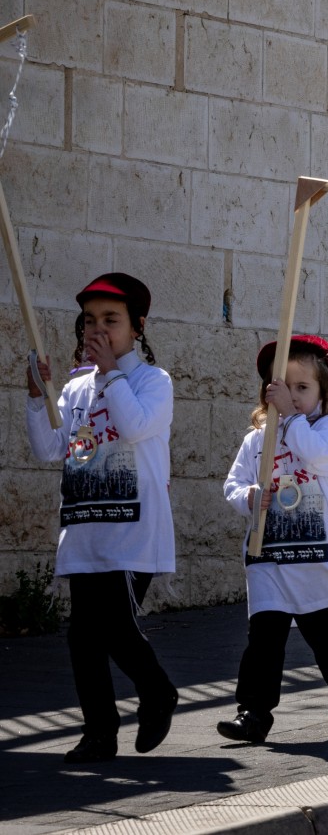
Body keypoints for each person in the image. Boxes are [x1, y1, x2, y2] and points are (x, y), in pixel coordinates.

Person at [25, 273, 178, 765]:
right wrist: (37, 398)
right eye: (90, 321)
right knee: (83, 637)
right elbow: (50, 448)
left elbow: (134, 426)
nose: (98, 330)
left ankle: (157, 691)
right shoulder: (75, 389)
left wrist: (111, 373)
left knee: (115, 626)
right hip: (85, 529)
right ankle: (99, 733)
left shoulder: (153, 381)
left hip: (132, 533)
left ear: (137, 326)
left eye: (111, 320)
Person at [219, 336, 328, 743]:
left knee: (324, 640)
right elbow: (233, 485)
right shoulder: (258, 439)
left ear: (324, 390)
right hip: (268, 554)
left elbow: (314, 452)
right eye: (283, 388)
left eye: (302, 388)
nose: (293, 396)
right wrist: (250, 497)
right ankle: (253, 712)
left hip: (313, 556)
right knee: (263, 639)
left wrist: (289, 418)